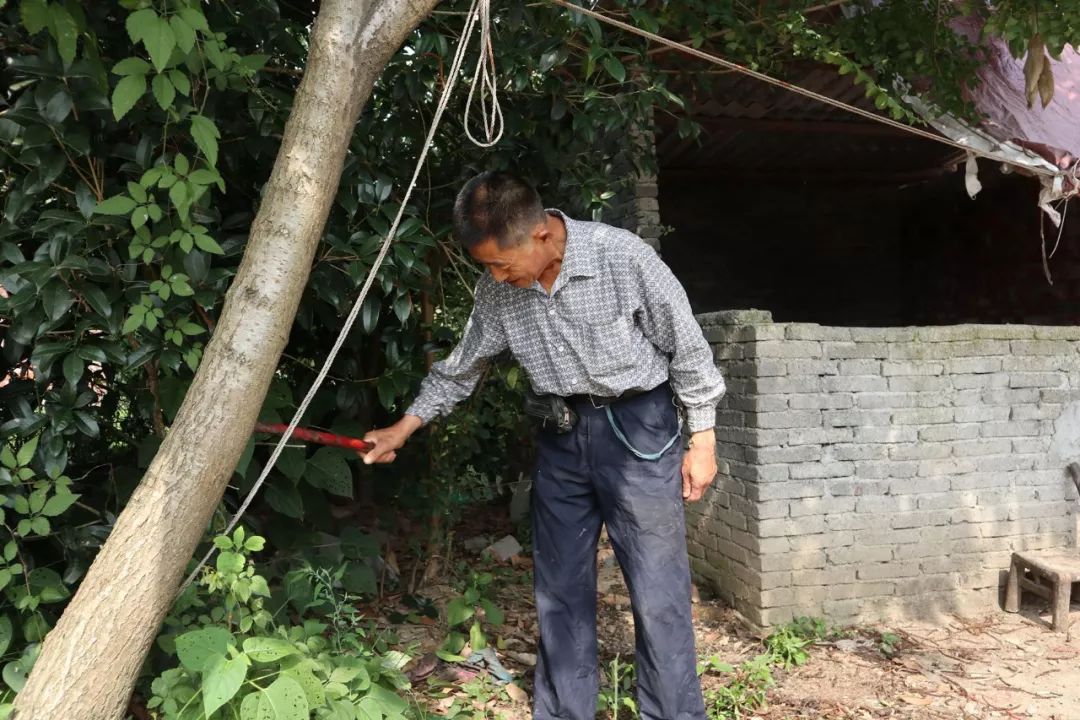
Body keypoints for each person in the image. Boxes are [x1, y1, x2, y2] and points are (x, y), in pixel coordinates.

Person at [363, 171, 725, 720]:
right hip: (561, 437)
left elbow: (689, 349)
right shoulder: (498, 291)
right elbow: (461, 369)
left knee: (659, 592)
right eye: (486, 266)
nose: (495, 276)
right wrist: (403, 427)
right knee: (559, 590)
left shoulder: (622, 257)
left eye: (500, 264)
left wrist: (703, 439)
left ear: (541, 235)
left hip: (640, 431)